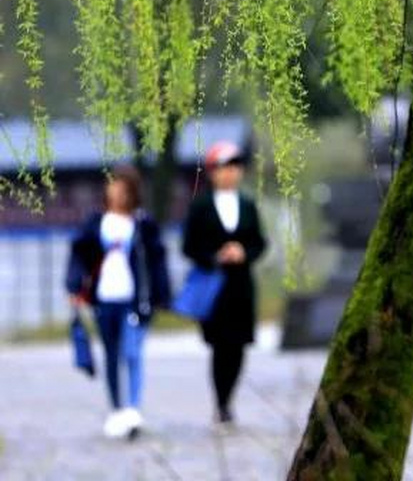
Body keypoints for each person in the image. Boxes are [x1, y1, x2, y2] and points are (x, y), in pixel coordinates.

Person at [66, 163, 171, 439]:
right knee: (111, 355)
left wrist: (162, 294)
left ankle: (133, 409)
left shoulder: (143, 224)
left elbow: (157, 261)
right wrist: (74, 286)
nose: (117, 193)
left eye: (124, 188)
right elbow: (79, 256)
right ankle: (116, 408)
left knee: (132, 352)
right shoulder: (95, 222)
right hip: (104, 299)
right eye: (113, 187)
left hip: (133, 300)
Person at [182, 141, 267, 425]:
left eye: (235, 166)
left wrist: (243, 253)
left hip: (241, 284)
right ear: (212, 172)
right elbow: (189, 246)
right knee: (220, 345)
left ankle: (228, 399)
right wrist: (215, 256)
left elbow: (259, 242)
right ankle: (220, 401)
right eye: (224, 167)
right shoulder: (201, 206)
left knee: (239, 344)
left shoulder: (248, 205)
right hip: (213, 284)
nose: (230, 172)